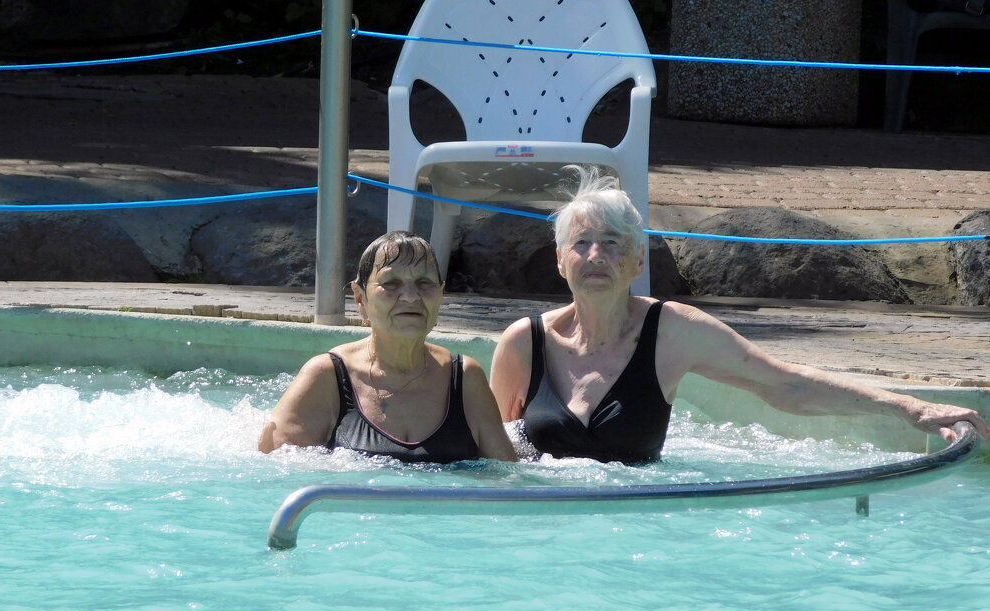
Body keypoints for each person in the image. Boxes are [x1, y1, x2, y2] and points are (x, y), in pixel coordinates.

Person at [489, 166, 988, 463]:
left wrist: (909, 408)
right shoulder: (522, 343)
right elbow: (487, 450)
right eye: (581, 244)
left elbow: (785, 383)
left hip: (636, 533)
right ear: (559, 260)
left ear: (639, 259)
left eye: (612, 243)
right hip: (545, 530)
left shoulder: (673, 332)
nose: (595, 255)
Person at [259, 231, 516, 463]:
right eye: (391, 283)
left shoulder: (465, 379)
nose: (411, 297)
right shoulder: (326, 377)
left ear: (441, 295)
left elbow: (508, 482)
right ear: (361, 299)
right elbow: (275, 476)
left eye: (424, 282)